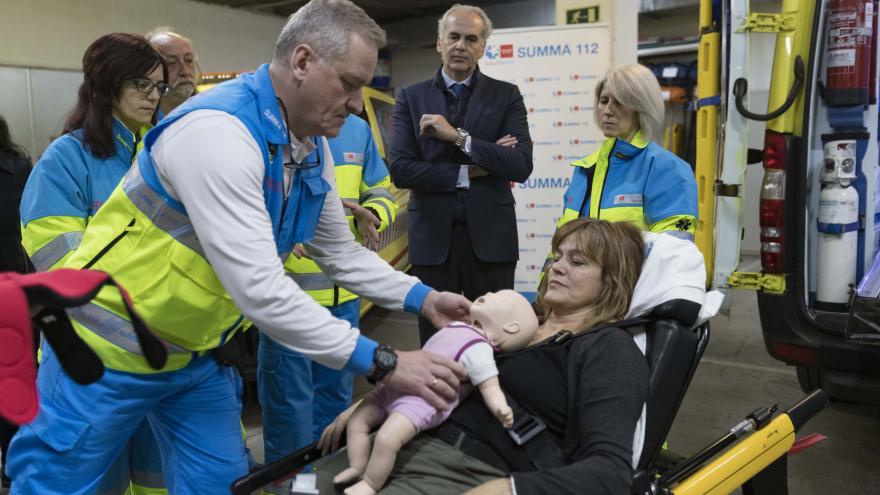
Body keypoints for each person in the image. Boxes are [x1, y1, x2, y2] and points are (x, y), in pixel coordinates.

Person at [6, 1, 470, 493]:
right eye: (349, 83)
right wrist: (386, 362)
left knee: (220, 484)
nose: (358, 103)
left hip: (189, 359)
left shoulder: (307, 147)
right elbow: (259, 289)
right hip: (101, 354)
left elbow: (338, 252)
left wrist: (424, 298)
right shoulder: (217, 132)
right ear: (303, 61)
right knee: (55, 486)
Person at [317, 218, 661, 494]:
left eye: (577, 262)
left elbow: (611, 474)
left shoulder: (607, 348)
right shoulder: (513, 327)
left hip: (463, 469)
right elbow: (439, 371)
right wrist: (378, 402)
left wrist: (506, 489)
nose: (556, 268)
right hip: (400, 441)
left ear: (611, 282)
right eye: (556, 257)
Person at [15, 33, 168, 495]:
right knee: (84, 484)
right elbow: (61, 269)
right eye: (143, 83)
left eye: (160, 86)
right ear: (106, 83)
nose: (154, 96)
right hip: (86, 363)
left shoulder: (162, 156)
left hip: (159, 355)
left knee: (158, 481)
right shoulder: (66, 159)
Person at [259, 114, 399, 482]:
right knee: (288, 406)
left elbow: (381, 186)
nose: (352, 99)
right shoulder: (271, 127)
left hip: (344, 298)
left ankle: (326, 480)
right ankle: (287, 485)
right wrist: (289, 230)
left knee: (335, 405)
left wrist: (375, 214)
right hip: (289, 299)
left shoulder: (357, 128)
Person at [389, 3, 533, 345]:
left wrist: (458, 137)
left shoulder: (506, 95)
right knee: (438, 342)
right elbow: (401, 169)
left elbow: (520, 165)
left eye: (471, 39)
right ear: (439, 42)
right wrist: (472, 170)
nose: (461, 46)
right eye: (453, 37)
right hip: (432, 243)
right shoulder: (411, 98)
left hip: (492, 241)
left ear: (482, 47)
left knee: (498, 338)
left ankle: (495, 400)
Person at [334, 289, 539, 495]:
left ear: (511, 327)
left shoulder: (480, 349)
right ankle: (357, 467)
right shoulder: (458, 325)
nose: (488, 293)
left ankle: (370, 483)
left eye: (497, 296)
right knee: (357, 422)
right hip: (398, 383)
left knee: (387, 439)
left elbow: (489, 385)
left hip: (422, 400)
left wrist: (500, 407)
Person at [555, 63, 698, 242]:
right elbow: (561, 246)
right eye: (604, 101)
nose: (607, 111)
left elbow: (672, 254)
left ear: (642, 107)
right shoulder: (585, 170)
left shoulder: (668, 168)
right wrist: (551, 270)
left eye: (620, 102)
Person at [0, 115, 32, 490]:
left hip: (13, 293)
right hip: (16, 290)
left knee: (12, 379)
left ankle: (14, 461)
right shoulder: (18, 166)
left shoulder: (19, 169)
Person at [146, 27, 199, 117]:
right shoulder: (138, 124)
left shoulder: (210, 114)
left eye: (189, 60)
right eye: (171, 63)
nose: (185, 71)